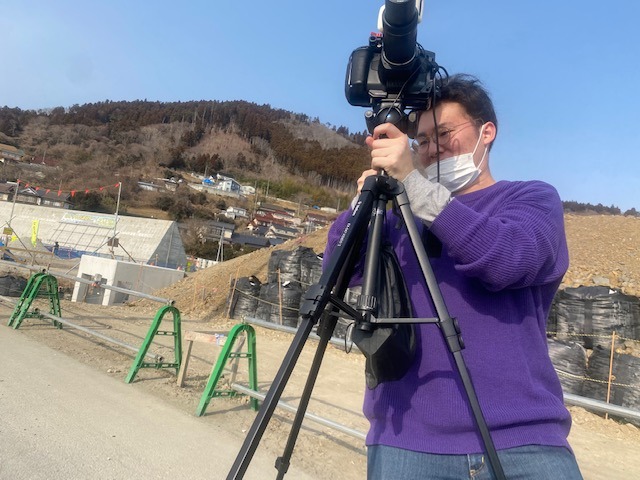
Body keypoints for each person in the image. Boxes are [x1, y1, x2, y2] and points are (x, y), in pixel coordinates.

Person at [323, 74, 583, 479]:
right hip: (406, 439)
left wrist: (415, 185)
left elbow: (505, 259)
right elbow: (337, 276)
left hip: (522, 438)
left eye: (444, 134)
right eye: (422, 141)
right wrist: (364, 201)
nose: (432, 149)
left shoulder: (531, 198)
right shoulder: (400, 218)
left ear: (487, 132)